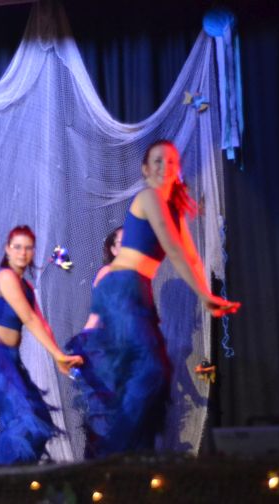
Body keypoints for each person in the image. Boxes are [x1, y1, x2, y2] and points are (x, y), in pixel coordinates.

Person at [73, 140, 239, 458]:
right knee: (145, 372)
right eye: (158, 161)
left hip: (139, 293)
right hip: (121, 288)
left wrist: (206, 296)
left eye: (171, 162)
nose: (165, 167)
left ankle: (124, 452)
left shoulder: (172, 210)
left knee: (149, 376)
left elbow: (190, 256)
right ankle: (111, 450)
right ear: (146, 170)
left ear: (178, 170)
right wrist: (204, 295)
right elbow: (173, 250)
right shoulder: (148, 197)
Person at [0, 225, 83, 465]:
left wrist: (59, 356)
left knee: (38, 420)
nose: (22, 253)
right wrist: (57, 354)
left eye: (28, 248)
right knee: (23, 421)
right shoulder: (5, 277)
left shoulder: (24, 286)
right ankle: (3, 477)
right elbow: (28, 318)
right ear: (7, 249)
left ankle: (13, 475)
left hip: (10, 359)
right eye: (17, 247)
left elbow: (41, 321)